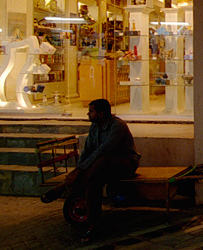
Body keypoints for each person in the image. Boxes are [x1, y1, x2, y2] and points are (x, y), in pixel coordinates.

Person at [40, 99, 141, 240]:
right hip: (100, 168)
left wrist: (77, 172)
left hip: (125, 164)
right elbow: (87, 152)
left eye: (91, 111)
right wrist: (77, 169)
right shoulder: (94, 127)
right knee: (94, 181)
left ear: (100, 113)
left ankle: (62, 187)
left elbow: (102, 151)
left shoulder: (118, 126)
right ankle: (92, 226)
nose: (88, 114)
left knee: (103, 159)